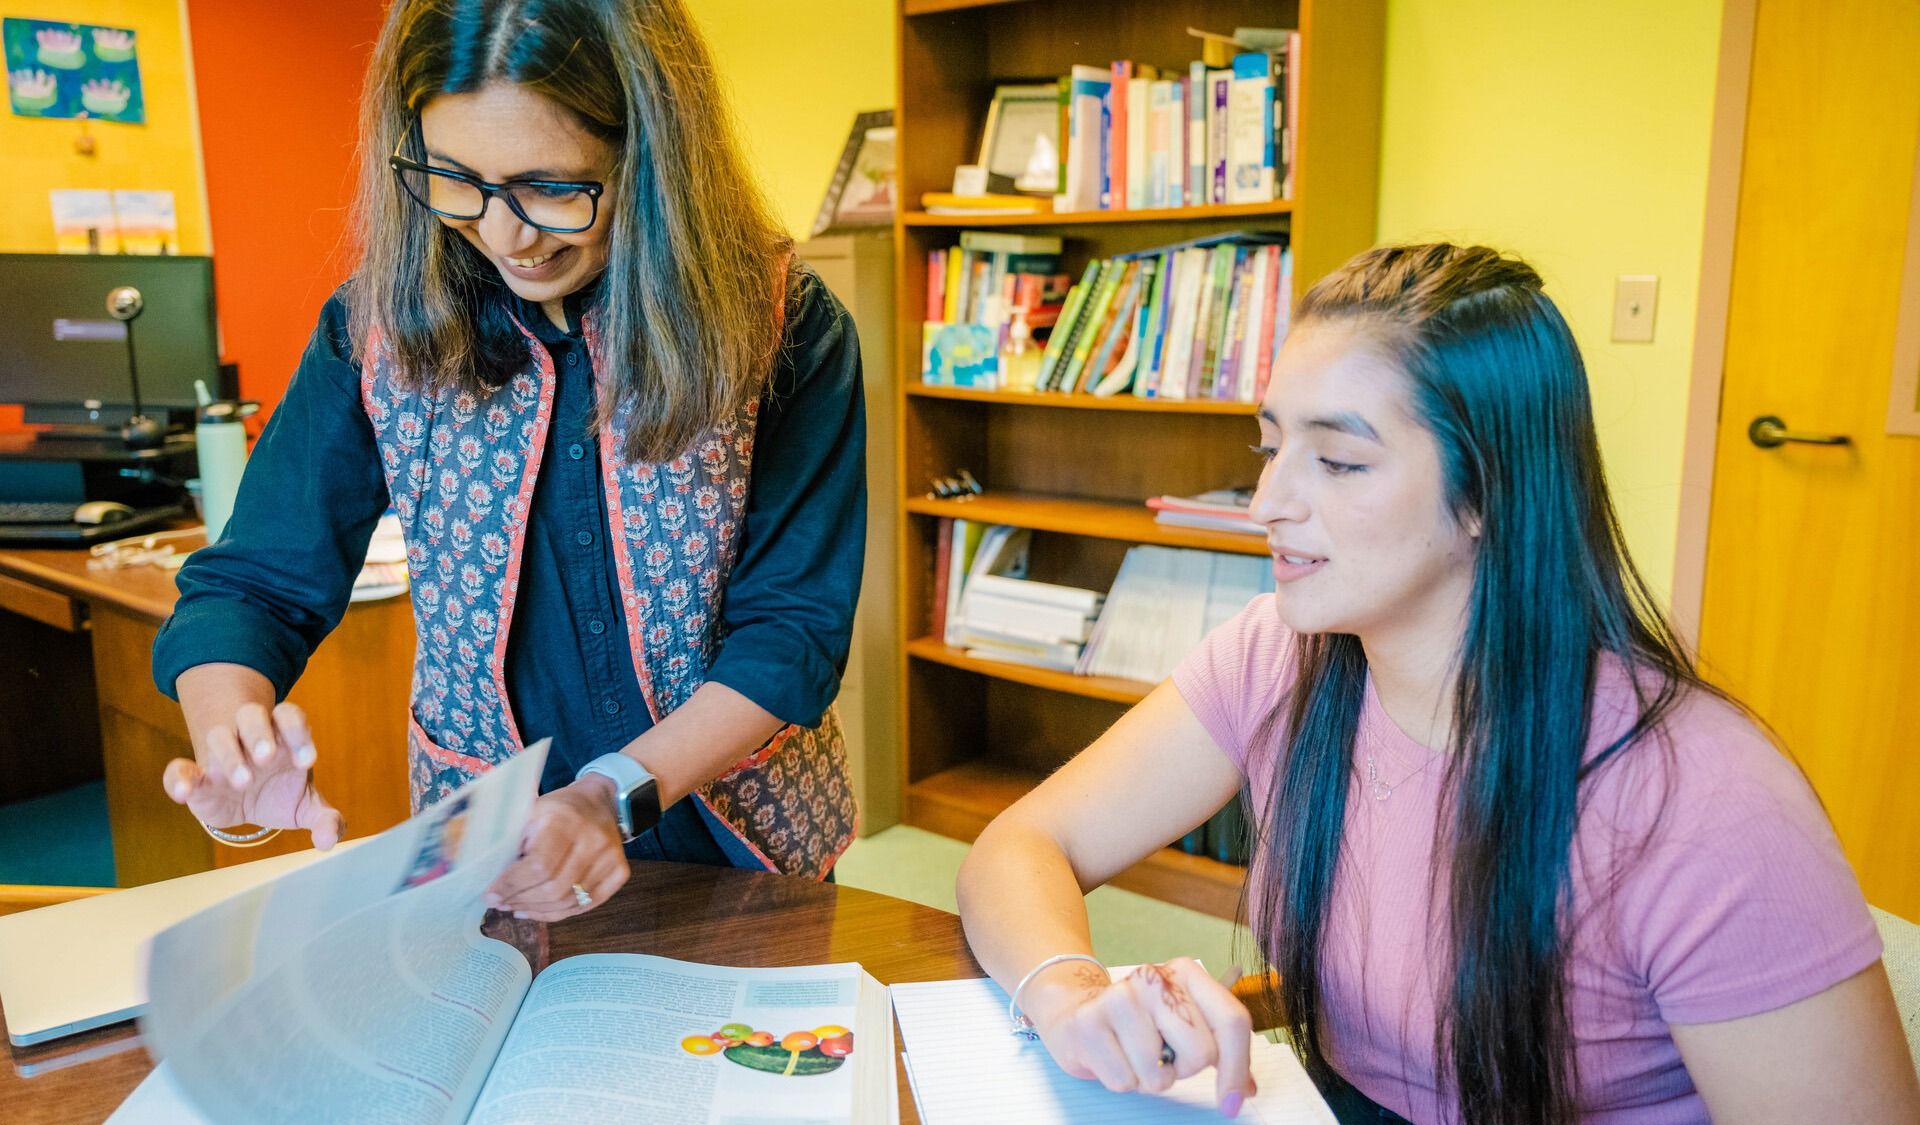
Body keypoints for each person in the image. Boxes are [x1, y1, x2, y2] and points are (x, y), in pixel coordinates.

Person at [955, 244, 1920, 1123]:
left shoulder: (1708, 804)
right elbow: (1023, 844)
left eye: (1337, 460)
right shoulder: (1280, 656)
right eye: (1270, 446)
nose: (1267, 503)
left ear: (1486, 494)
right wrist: (1067, 990)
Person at [152, 0, 865, 922]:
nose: (505, 236)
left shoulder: (783, 325)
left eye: (551, 187)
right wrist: (231, 734)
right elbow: (252, 582)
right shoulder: (373, 331)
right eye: (455, 181)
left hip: (739, 841)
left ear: (651, 159)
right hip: (486, 854)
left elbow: (791, 633)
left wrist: (611, 795)